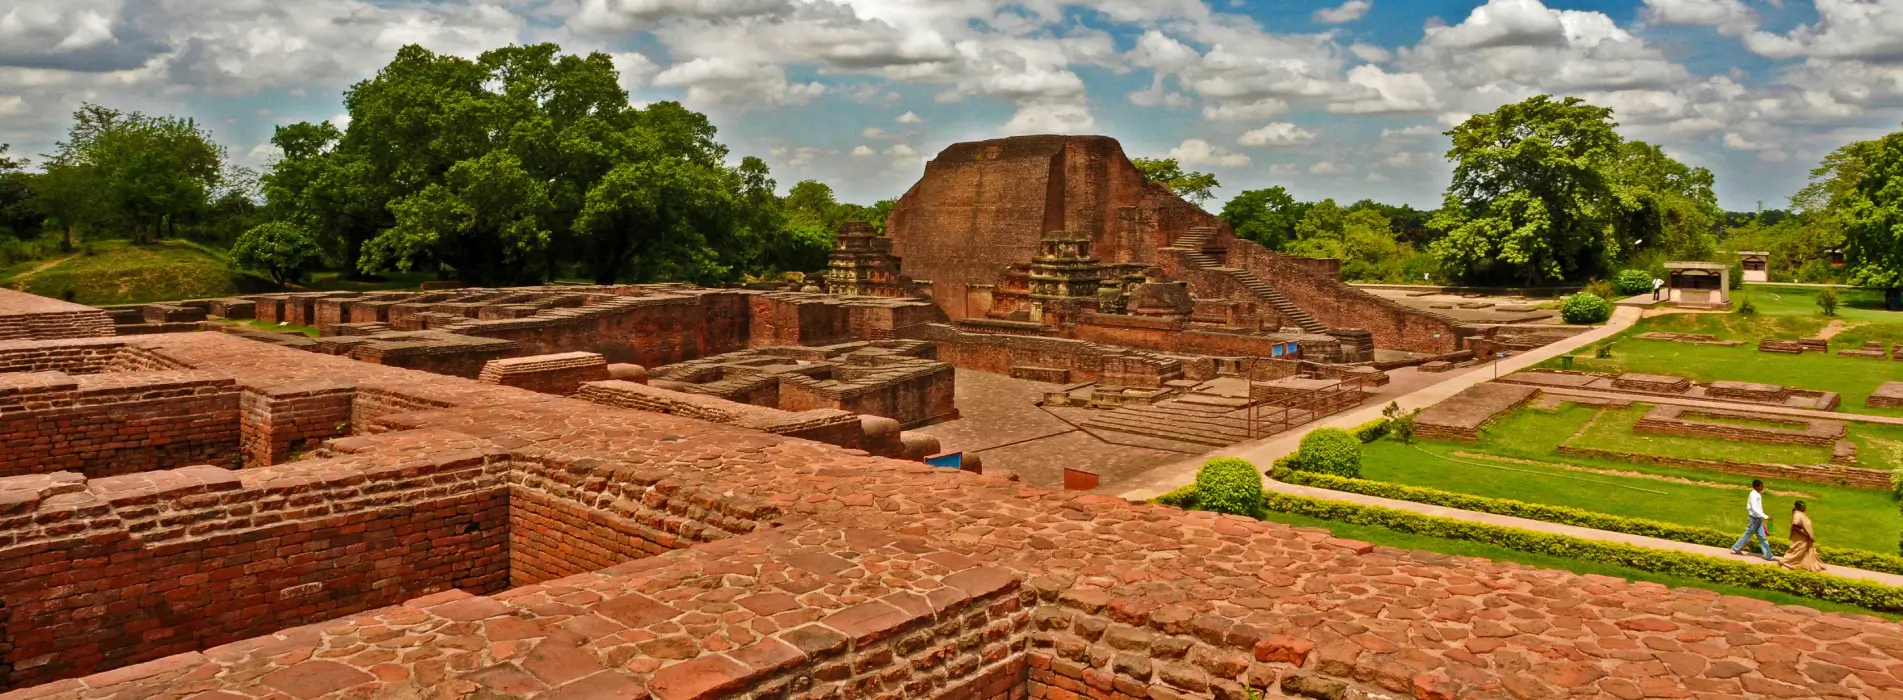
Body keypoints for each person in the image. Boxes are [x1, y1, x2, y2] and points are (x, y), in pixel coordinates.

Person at [1731, 479, 1774, 560]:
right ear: (1757, 487)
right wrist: (1766, 516)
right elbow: (1754, 508)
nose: (1762, 487)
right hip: (1753, 519)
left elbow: (1754, 507)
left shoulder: (1757, 494)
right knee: (1748, 534)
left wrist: (1762, 516)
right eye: (1761, 486)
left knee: (1762, 537)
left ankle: (1768, 555)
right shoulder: (1753, 495)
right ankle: (1736, 548)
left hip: (1758, 519)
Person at [1778, 501, 1824, 572]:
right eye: (1802, 507)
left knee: (1803, 552)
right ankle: (1784, 562)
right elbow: (1795, 527)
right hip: (1800, 538)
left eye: (1804, 507)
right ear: (1798, 507)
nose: (1804, 508)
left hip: (1804, 538)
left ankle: (1803, 565)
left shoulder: (1801, 514)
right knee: (1796, 552)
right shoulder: (1797, 515)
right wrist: (1807, 535)